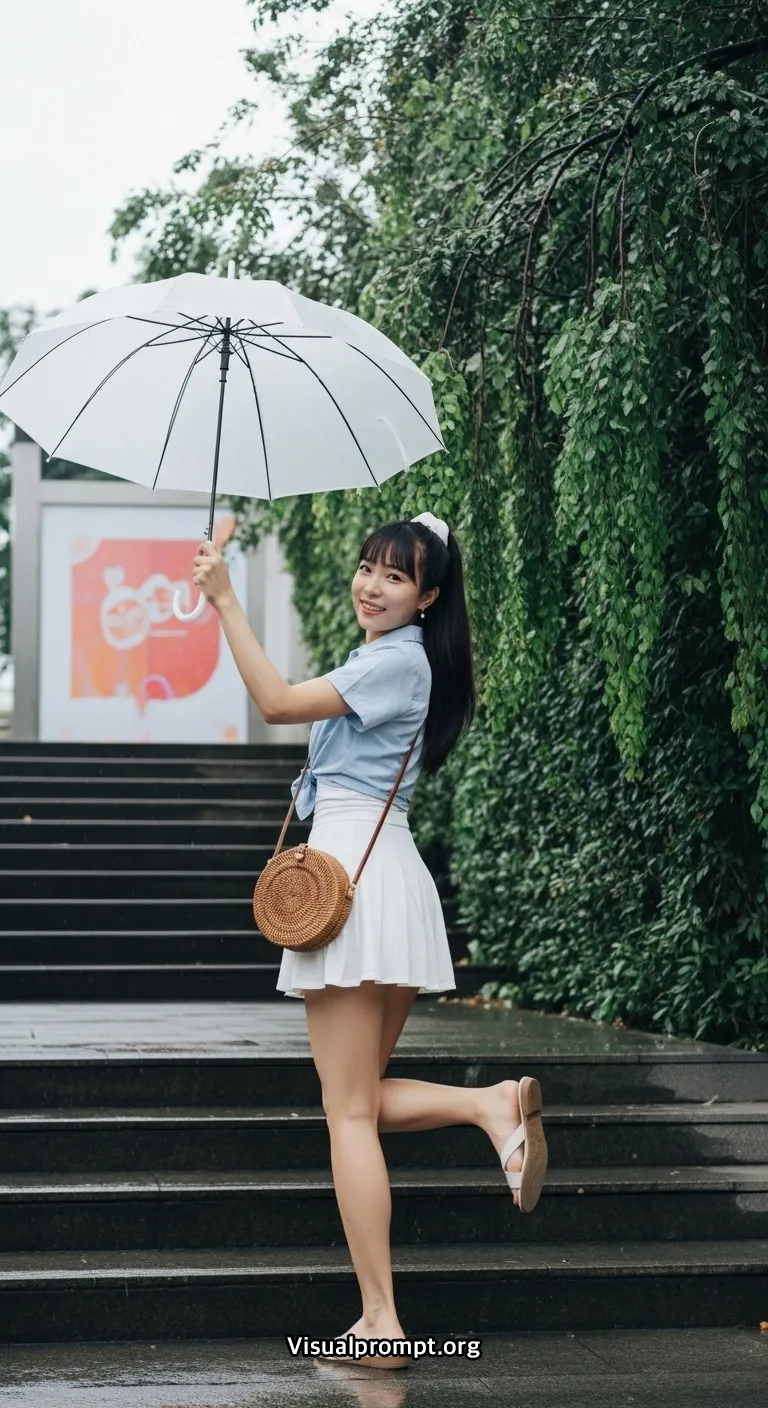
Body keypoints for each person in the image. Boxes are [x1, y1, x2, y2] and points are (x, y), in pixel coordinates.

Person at [193, 511, 548, 1370]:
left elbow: (277, 702)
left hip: (349, 877)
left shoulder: (395, 660)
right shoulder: (401, 660)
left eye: (394, 575)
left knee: (346, 1109)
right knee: (358, 1096)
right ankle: (487, 1105)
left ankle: (382, 1319)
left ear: (428, 595)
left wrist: (225, 599)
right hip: (380, 875)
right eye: (366, 567)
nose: (369, 583)